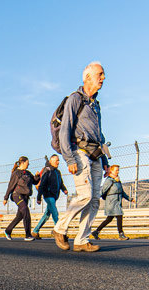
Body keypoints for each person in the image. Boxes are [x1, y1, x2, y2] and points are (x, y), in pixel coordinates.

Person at [53, 62, 109, 253]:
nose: (103, 78)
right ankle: (60, 227)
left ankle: (81, 240)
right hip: (79, 152)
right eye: (100, 74)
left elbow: (99, 134)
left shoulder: (96, 105)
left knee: (94, 200)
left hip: (95, 155)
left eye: (103, 74)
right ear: (87, 77)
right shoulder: (75, 99)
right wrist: (69, 158)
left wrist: (105, 161)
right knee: (85, 195)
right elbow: (65, 129)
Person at [3, 156, 40, 241]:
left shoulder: (28, 173)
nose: (28, 165)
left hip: (25, 196)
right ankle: (28, 235)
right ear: (23, 162)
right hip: (17, 195)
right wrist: (6, 197)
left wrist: (37, 176)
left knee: (19, 216)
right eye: (27, 163)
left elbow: (34, 181)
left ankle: (8, 230)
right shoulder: (16, 173)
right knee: (26, 211)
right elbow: (11, 186)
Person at [92, 165, 133, 240]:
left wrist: (130, 199)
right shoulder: (109, 180)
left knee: (109, 219)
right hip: (111, 202)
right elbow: (103, 191)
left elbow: (122, 192)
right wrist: (96, 198)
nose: (118, 172)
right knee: (119, 215)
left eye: (118, 170)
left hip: (117, 202)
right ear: (111, 171)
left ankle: (96, 231)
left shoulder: (118, 180)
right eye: (116, 170)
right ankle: (121, 234)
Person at [32, 154, 68, 239]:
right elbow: (42, 184)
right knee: (55, 213)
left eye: (58, 160)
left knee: (47, 215)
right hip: (48, 195)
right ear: (51, 161)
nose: (58, 162)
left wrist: (64, 189)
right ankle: (60, 233)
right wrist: (38, 197)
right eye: (56, 160)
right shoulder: (47, 170)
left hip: (54, 196)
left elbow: (61, 183)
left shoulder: (57, 172)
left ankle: (35, 231)